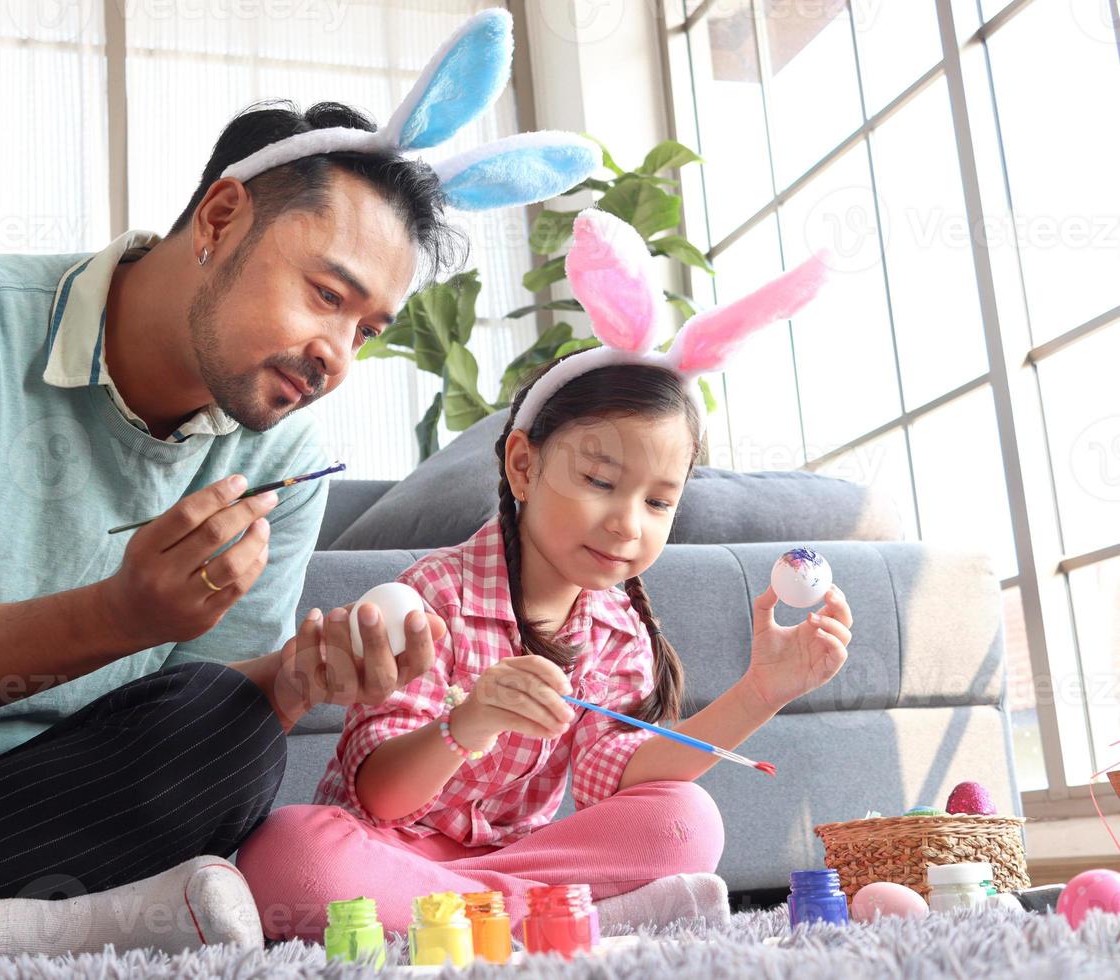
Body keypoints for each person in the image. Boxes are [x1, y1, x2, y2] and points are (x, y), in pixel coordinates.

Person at [0, 9, 599, 969]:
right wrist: (123, 612)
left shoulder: (283, 452)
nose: (336, 356)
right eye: (326, 295)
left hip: (20, 807)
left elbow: (201, 702)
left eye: (368, 330)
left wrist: (294, 679)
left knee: (230, 734)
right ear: (221, 218)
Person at [238, 210, 854, 939]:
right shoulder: (435, 595)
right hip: (387, 850)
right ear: (523, 465)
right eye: (600, 481)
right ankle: (552, 917)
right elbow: (381, 795)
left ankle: (473, 917)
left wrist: (762, 691)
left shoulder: (617, 628)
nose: (630, 522)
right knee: (291, 853)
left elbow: (617, 779)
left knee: (687, 820)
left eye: (659, 501)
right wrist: (469, 723)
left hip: (511, 860)